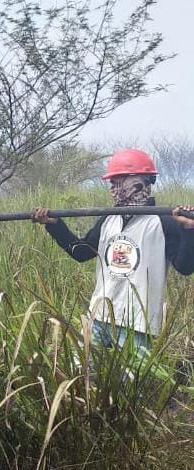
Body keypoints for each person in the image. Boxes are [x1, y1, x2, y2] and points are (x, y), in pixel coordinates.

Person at [33, 148, 194, 350]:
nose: (113, 188)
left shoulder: (163, 221)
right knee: (84, 375)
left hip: (138, 325)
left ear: (138, 182)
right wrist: (55, 225)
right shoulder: (109, 218)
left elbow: (185, 267)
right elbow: (81, 253)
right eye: (111, 182)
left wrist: (189, 230)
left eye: (117, 181)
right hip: (99, 316)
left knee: (131, 381)